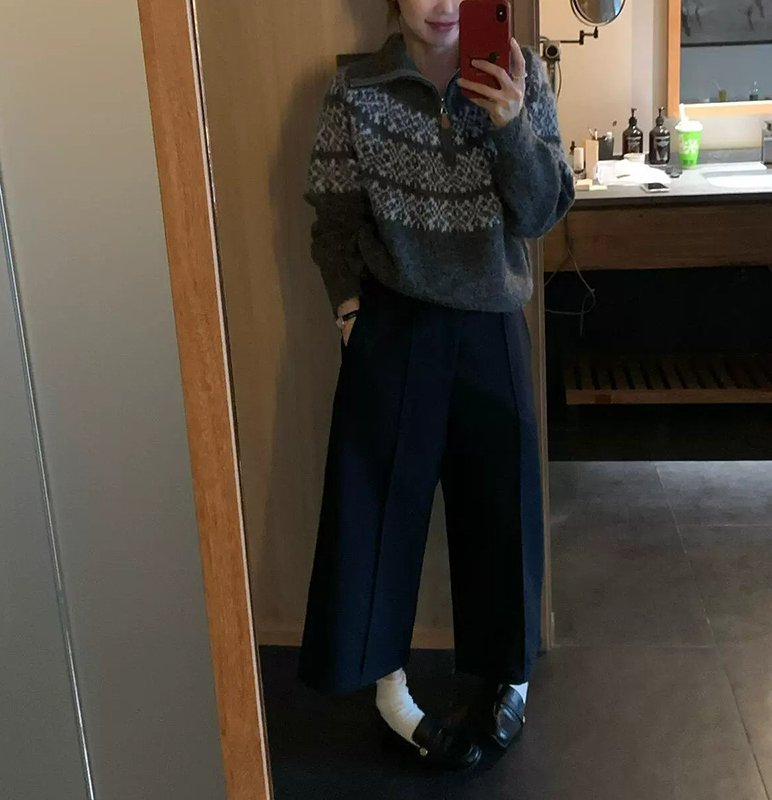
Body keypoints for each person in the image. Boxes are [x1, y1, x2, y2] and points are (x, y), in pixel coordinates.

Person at [298, 0, 574, 771]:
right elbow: (332, 218)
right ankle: (390, 692)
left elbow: (542, 212)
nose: (444, 3)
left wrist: (512, 124)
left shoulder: (521, 77)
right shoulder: (356, 90)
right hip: (394, 322)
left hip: (491, 321)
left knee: (502, 505)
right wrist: (347, 309)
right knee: (377, 506)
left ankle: (508, 679)